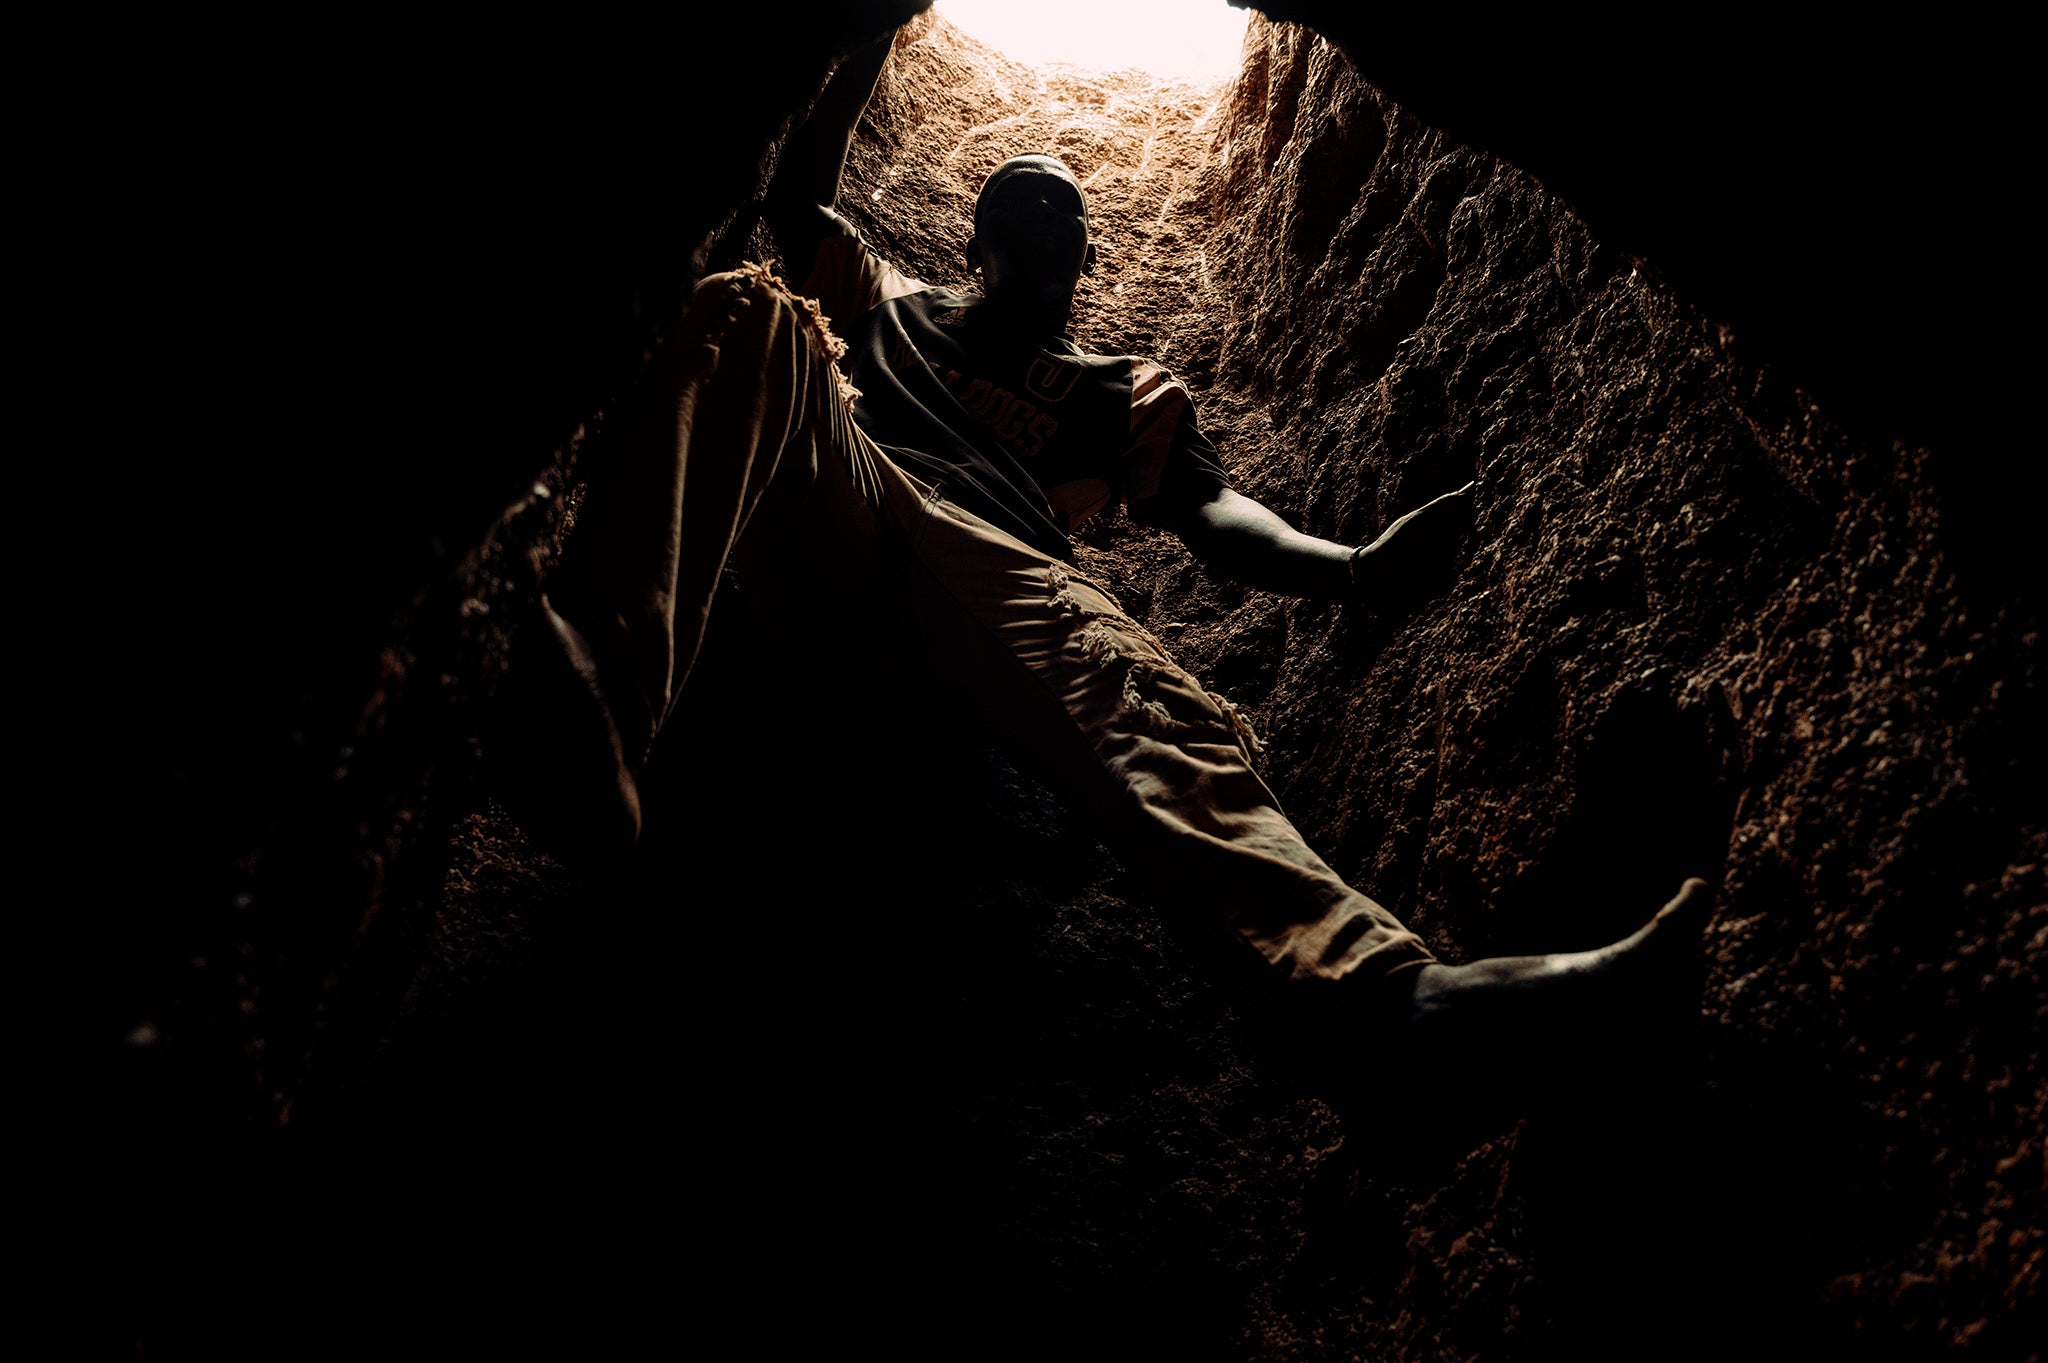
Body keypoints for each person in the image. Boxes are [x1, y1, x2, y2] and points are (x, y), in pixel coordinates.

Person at [493, 30, 1710, 1055]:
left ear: (1086, 260)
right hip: (839, 505)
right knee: (755, 310)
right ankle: (603, 693)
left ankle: (1381, 1011)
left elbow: (1211, 518)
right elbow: (791, 197)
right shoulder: (892, 305)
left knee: (1146, 695)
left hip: (993, 576)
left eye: (1064, 222)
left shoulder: (1120, 389)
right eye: (1016, 214)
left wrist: (1348, 570)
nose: (1043, 230)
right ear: (973, 243)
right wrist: (868, 35)